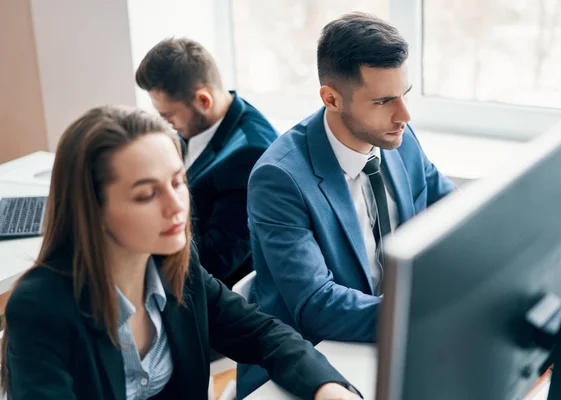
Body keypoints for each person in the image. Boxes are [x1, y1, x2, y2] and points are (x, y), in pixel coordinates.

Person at [0, 106, 362, 400]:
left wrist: (326, 387)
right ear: (93, 209)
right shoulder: (40, 308)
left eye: (177, 182)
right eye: (146, 194)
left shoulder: (176, 268)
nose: (176, 207)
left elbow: (263, 334)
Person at [237, 12, 456, 397]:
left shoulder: (396, 135)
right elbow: (316, 305)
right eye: (384, 100)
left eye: (404, 94)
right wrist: (418, 315)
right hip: (311, 364)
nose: (404, 115)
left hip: (382, 343)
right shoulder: (279, 179)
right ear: (331, 98)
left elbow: (452, 212)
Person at [135, 38, 278, 288]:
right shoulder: (203, 123)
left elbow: (215, 259)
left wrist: (135, 246)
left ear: (204, 100)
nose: (165, 123)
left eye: (168, 115)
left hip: (205, 289)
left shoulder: (249, 156)